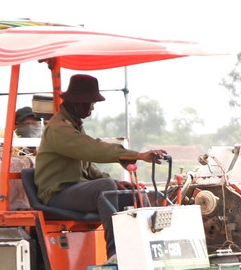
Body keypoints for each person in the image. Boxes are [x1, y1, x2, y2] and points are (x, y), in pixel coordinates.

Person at [35, 74, 167, 226]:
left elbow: (87, 167)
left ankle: (146, 241)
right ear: (77, 102)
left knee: (136, 193)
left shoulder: (73, 125)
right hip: (57, 194)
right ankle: (114, 249)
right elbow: (94, 149)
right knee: (105, 187)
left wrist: (115, 182)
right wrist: (139, 155)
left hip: (74, 189)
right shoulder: (59, 129)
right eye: (90, 103)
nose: (92, 107)